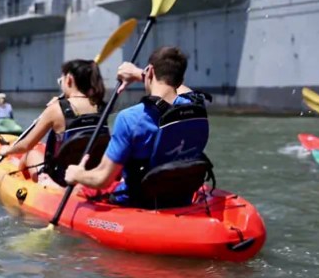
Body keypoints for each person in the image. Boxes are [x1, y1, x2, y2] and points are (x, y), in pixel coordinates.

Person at [64, 46, 211, 208]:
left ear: (150, 72)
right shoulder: (195, 106)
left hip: (137, 202)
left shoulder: (130, 118)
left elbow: (102, 179)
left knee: (81, 188)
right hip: (180, 197)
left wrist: (77, 174)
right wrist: (141, 74)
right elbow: (182, 89)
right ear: (180, 79)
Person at [0, 59, 107, 184]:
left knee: (31, 154)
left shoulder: (55, 110)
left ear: (69, 79)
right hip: (92, 174)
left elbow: (26, 145)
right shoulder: (102, 107)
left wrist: (7, 150)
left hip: (60, 179)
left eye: (61, 80)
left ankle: (18, 184)